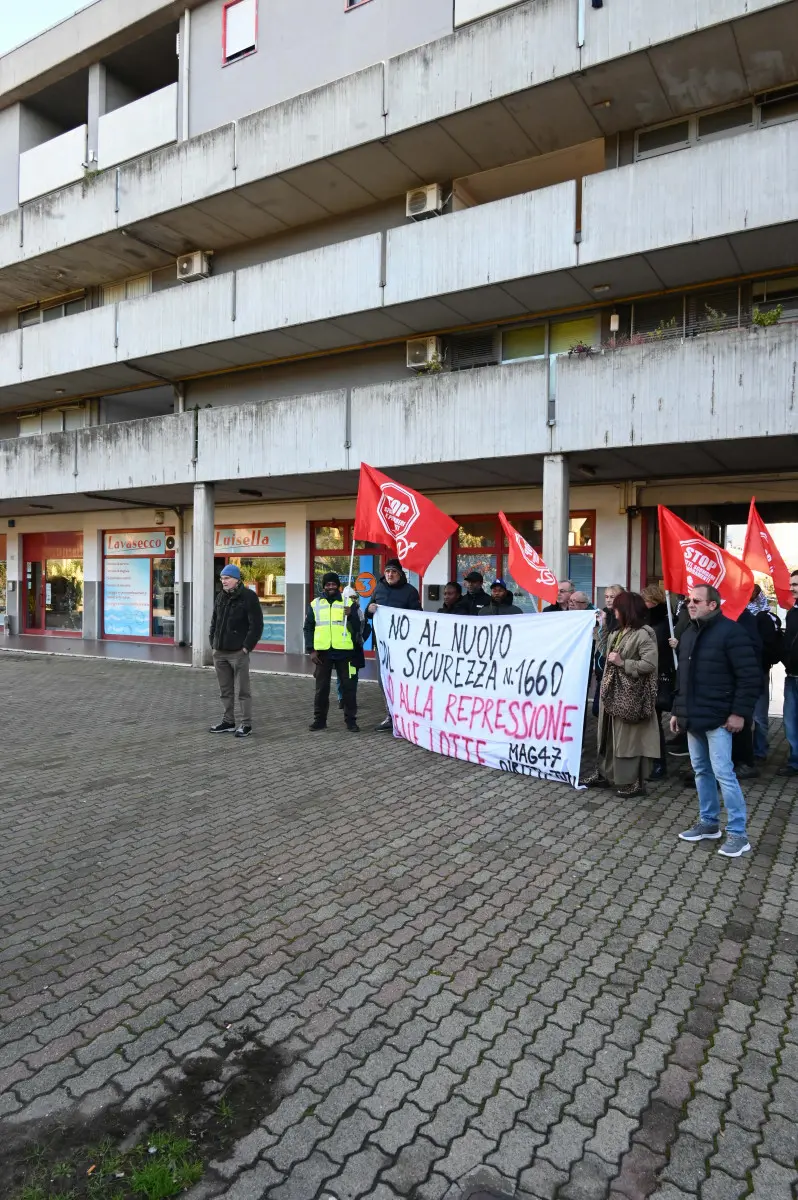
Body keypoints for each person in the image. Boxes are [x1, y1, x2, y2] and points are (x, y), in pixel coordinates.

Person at [671, 585, 761, 858]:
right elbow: (683, 679)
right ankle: (709, 823)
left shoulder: (732, 633)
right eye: (688, 600)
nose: (690, 604)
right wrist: (678, 710)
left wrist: (738, 713)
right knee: (701, 771)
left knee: (724, 774)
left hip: (719, 719)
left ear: (713, 605)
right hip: (693, 718)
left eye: (696, 600)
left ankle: (738, 834)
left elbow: (749, 677)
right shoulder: (688, 633)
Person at [583, 591, 660, 798]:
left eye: (617, 608)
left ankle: (634, 782)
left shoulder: (644, 633)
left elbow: (650, 664)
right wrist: (599, 629)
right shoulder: (619, 632)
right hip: (612, 693)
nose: (613, 612)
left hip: (630, 696)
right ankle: (605, 774)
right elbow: (605, 652)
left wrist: (623, 663)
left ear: (626, 610)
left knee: (629, 741)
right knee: (608, 737)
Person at [209, 564, 264, 738]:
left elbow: (256, 625)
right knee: (225, 691)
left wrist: (246, 647)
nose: (223, 582)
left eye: (226, 578)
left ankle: (246, 724)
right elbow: (214, 621)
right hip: (220, 651)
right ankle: (228, 721)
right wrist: (213, 642)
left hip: (238, 653)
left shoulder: (249, 597)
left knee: (243, 691)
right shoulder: (220, 597)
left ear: (236, 579)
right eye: (222, 579)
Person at [304, 571, 362, 732]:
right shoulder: (315, 603)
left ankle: (351, 721)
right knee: (321, 689)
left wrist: (351, 616)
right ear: (323, 586)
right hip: (323, 653)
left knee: (349, 688)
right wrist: (311, 650)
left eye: (333, 584)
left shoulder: (348, 602)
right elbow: (308, 627)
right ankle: (320, 720)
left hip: (345, 652)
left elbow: (359, 627)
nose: (331, 587)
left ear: (338, 586)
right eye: (328, 584)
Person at [369, 558, 422, 732]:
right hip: (382, 645)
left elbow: (417, 617)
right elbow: (370, 611)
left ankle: (406, 715)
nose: (390, 574)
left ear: (400, 574)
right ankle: (390, 715)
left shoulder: (410, 592)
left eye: (394, 572)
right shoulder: (379, 588)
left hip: (402, 647)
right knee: (383, 680)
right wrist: (370, 609)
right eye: (388, 571)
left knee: (402, 680)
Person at [642, 584, 676, 780]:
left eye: (645, 600)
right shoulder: (649, 621)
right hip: (649, 678)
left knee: (654, 725)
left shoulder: (664, 623)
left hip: (658, 678)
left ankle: (659, 764)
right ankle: (654, 761)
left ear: (654, 602)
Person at [746, 585, 781, 762]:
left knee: (758, 715)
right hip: (747, 670)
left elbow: (768, 646)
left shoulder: (766, 618)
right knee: (748, 714)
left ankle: (759, 750)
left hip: (759, 670)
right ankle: (751, 750)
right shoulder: (739, 614)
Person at [593, 585, 625, 718]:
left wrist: (604, 624)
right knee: (598, 709)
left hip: (614, 668)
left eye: (612, 597)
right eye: (606, 597)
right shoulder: (603, 613)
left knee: (604, 710)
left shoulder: (622, 616)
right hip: (602, 667)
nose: (608, 600)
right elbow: (598, 639)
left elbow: (609, 642)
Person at [780, 568, 798, 777]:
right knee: (790, 722)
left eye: (795, 584)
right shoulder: (792, 612)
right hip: (791, 675)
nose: (791, 588)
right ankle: (794, 762)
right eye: (791, 584)